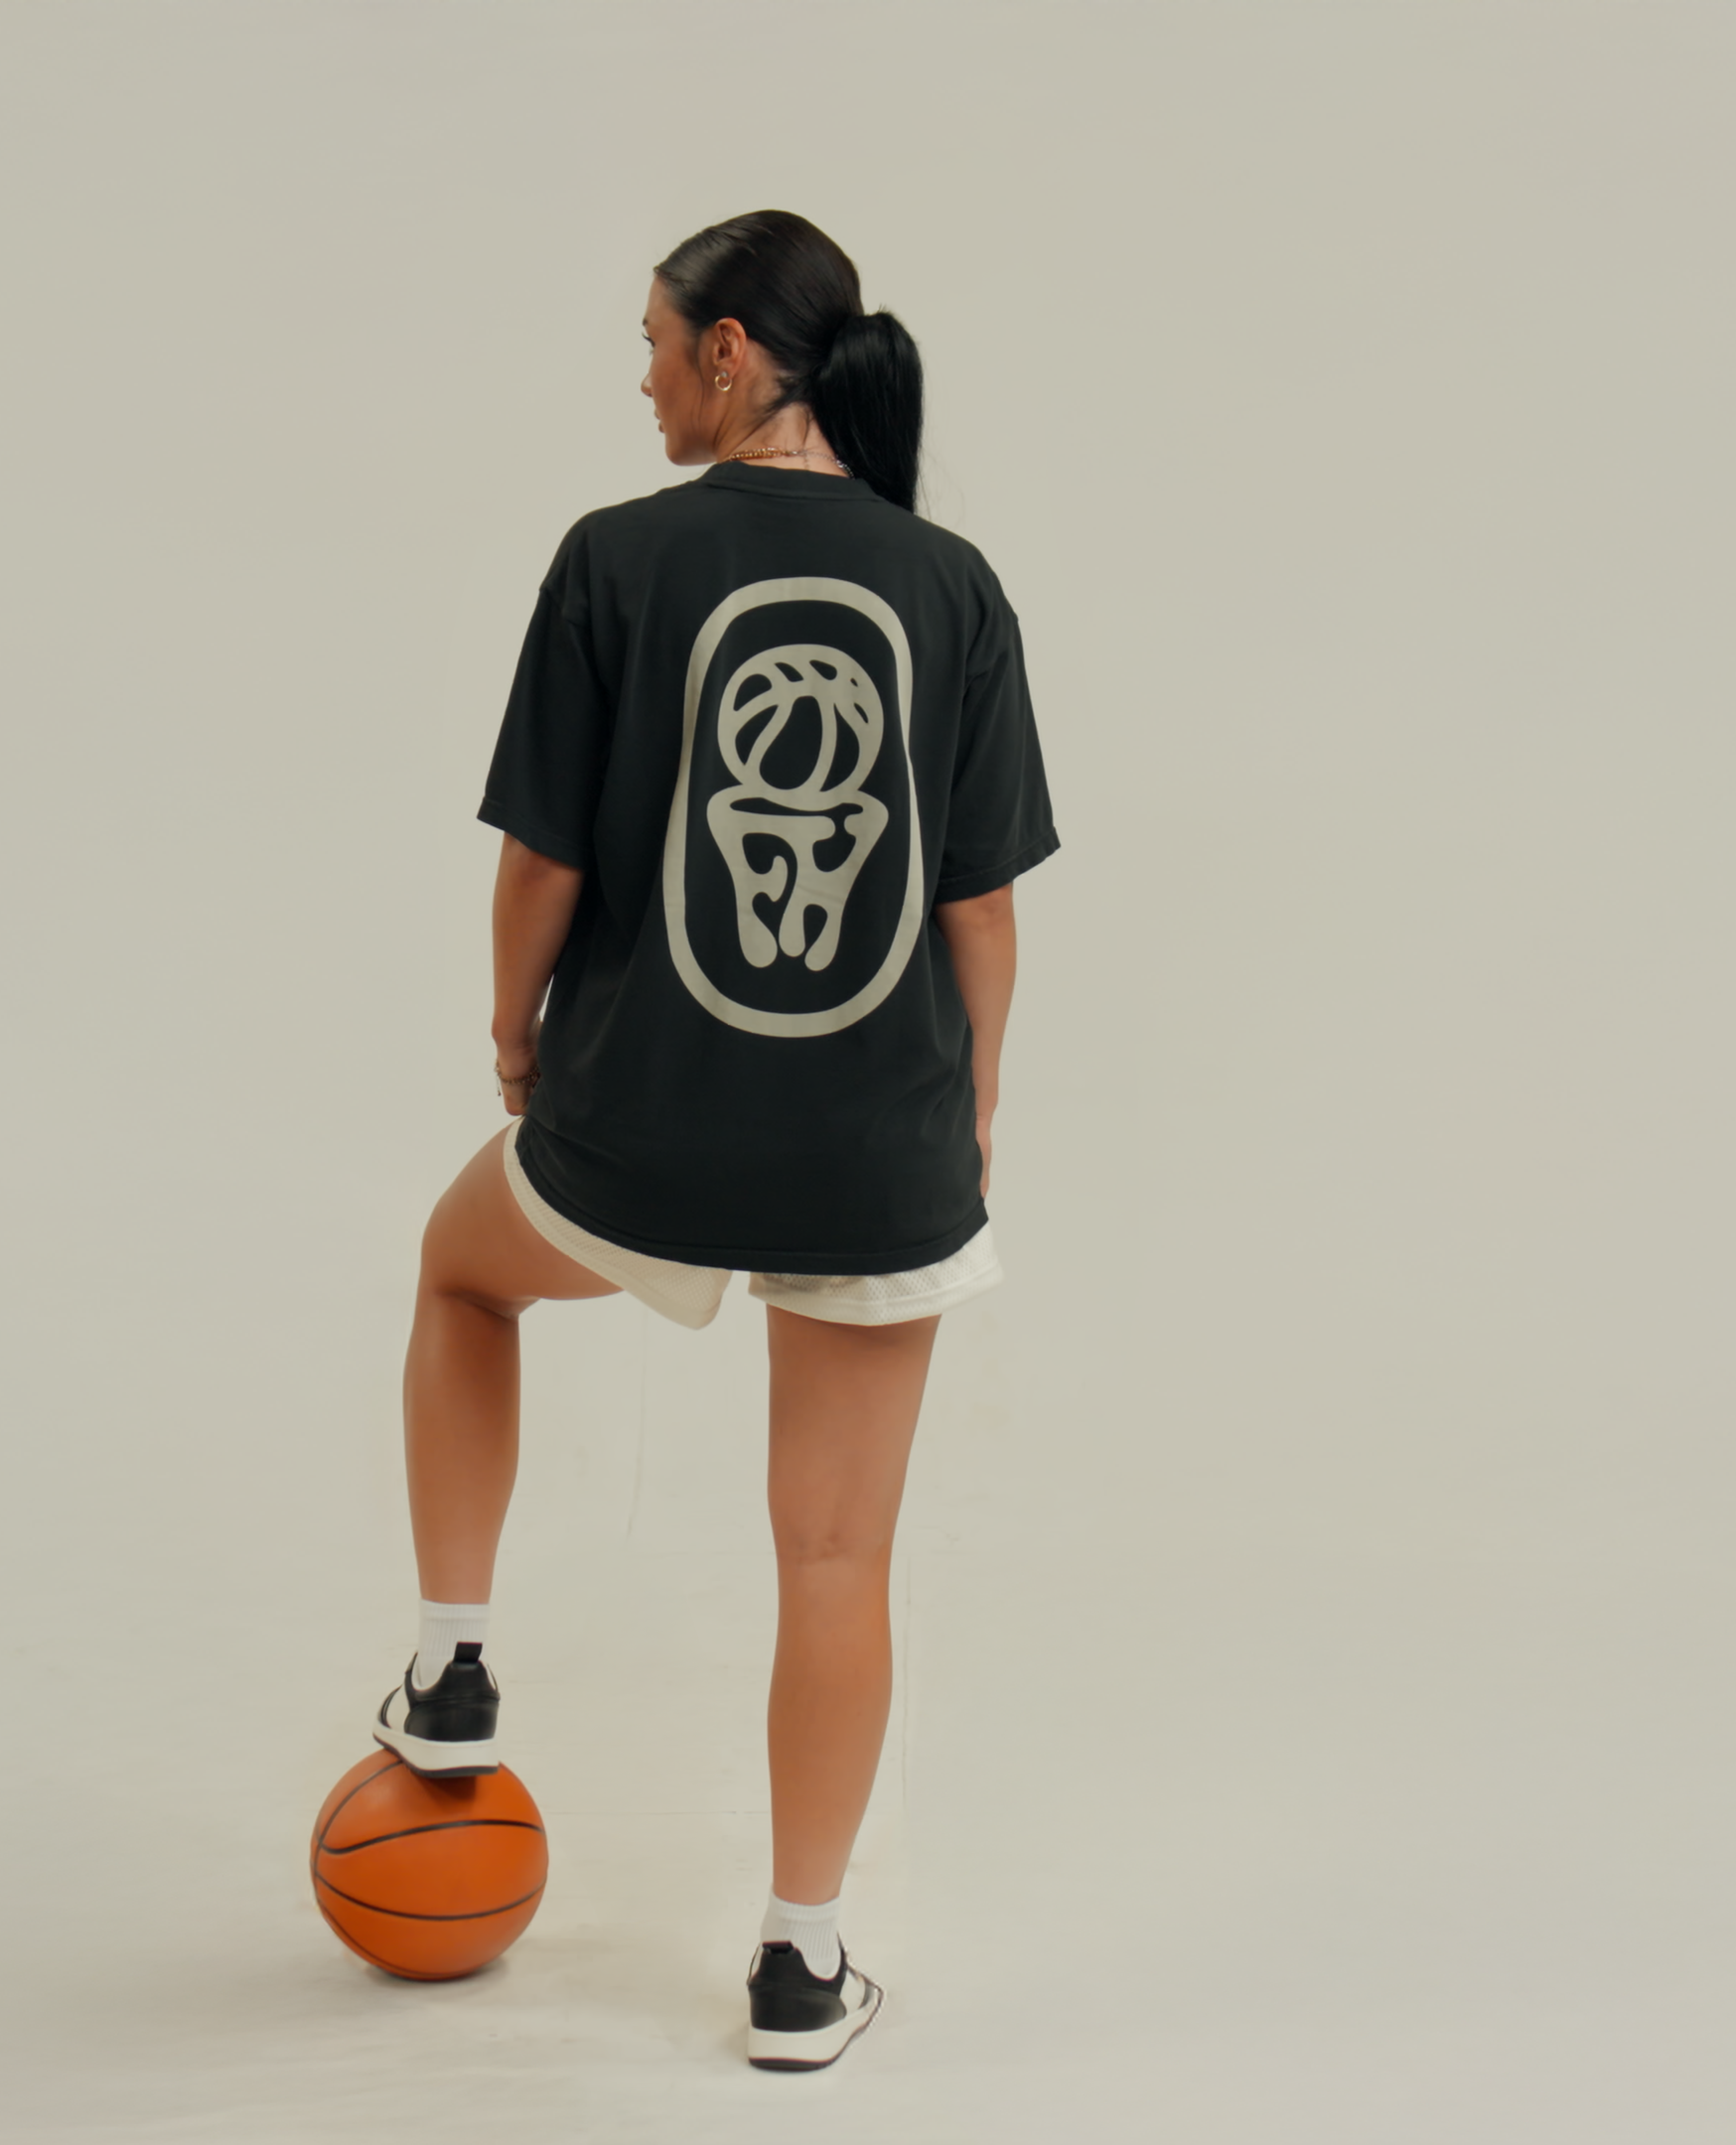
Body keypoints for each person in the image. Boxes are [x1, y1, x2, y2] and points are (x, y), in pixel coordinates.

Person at [362, 209, 1059, 2074]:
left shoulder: (615, 558)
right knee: (835, 1559)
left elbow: (542, 863)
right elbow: (982, 909)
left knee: (460, 1275)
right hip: (878, 1155)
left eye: (658, 346)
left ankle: (451, 1664)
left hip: (639, 1136)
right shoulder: (955, 586)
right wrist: (976, 1101)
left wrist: (515, 1031)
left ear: (734, 353)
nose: (647, 380)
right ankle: (800, 1970)